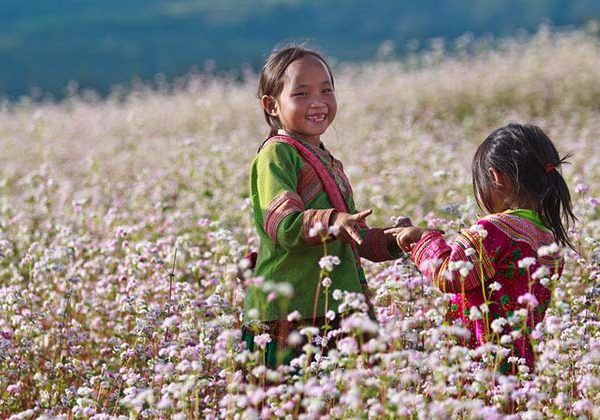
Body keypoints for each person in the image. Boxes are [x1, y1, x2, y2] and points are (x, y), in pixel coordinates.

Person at [242, 45, 401, 367]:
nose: (318, 102)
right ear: (271, 105)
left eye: (326, 90)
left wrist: (395, 240)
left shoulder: (324, 157)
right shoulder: (277, 154)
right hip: (289, 316)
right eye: (301, 94)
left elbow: (351, 235)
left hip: (333, 310)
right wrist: (333, 222)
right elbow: (284, 226)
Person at [387, 122, 576, 373]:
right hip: (521, 364)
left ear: (496, 177)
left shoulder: (493, 230)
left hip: (479, 362)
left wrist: (424, 239)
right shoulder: (547, 238)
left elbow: (451, 275)